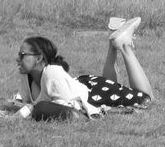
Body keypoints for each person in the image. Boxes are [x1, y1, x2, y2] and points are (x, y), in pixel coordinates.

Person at [15, 17, 154, 121]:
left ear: (39, 58)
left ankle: (124, 47)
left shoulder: (52, 73)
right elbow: (26, 105)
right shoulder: (27, 76)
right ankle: (114, 41)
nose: (18, 59)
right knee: (111, 86)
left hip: (93, 93)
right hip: (88, 86)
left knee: (146, 99)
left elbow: (74, 107)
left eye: (22, 55)